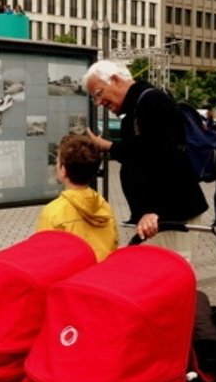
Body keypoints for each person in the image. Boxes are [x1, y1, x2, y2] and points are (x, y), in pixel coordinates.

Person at [84, 60, 208, 258]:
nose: (99, 103)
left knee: (171, 275)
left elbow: (166, 159)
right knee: (163, 274)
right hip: (158, 217)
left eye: (99, 94)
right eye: (94, 99)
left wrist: (155, 211)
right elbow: (142, 152)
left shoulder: (151, 102)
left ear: (115, 80)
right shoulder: (137, 107)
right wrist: (108, 146)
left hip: (170, 214)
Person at [36, 134, 118, 262]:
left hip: (70, 279)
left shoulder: (53, 212)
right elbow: (114, 245)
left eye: (57, 162)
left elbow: (43, 257)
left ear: (63, 170)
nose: (56, 166)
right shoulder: (105, 207)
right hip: (99, 277)